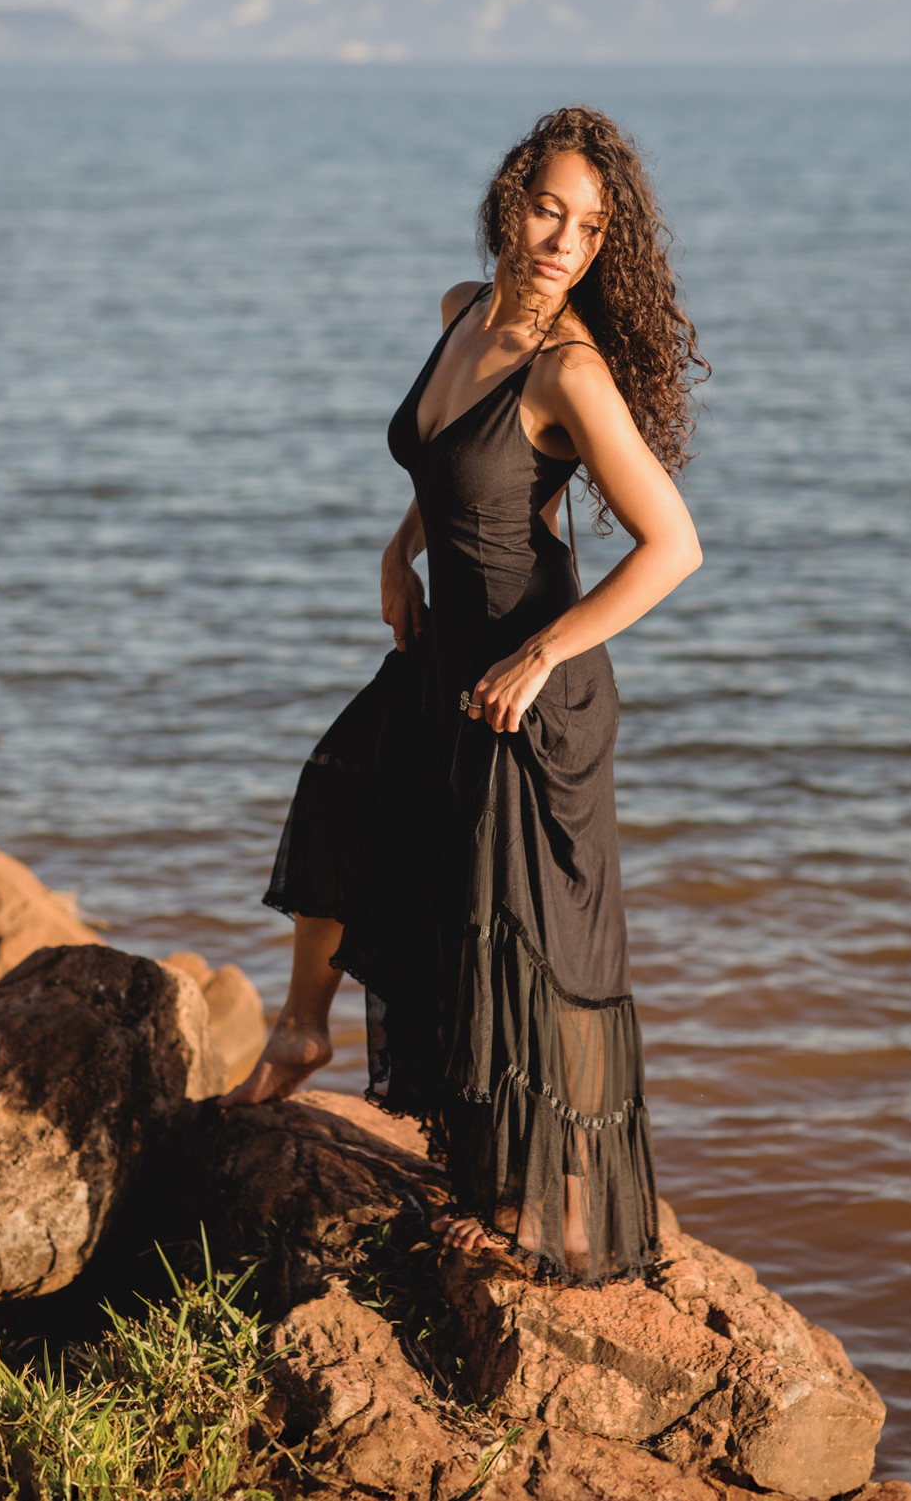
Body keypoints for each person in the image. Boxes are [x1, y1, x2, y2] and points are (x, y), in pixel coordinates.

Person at [222, 106, 707, 1285]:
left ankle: (560, 1209)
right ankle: (303, 1030)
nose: (562, 239)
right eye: (548, 208)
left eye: (590, 227)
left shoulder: (570, 370)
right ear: (509, 199)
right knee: (354, 793)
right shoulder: (463, 312)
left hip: (534, 685)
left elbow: (673, 546)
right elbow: (451, 463)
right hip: (451, 655)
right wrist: (402, 549)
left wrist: (541, 658)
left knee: (532, 936)